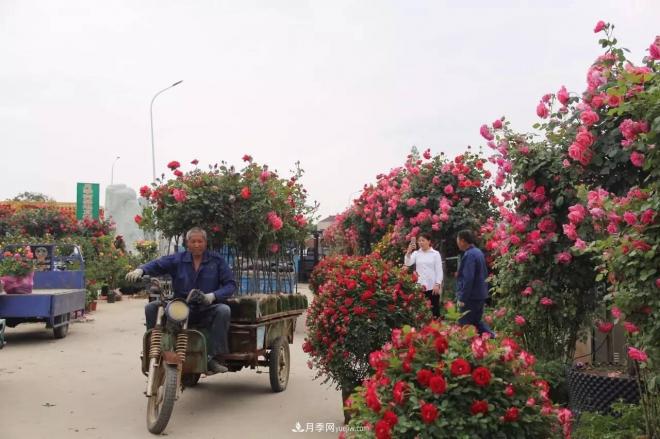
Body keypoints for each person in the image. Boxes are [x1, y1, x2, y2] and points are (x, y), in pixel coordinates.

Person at [126, 227, 237, 374]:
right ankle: (153, 348)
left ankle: (214, 357)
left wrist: (212, 296)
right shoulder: (178, 259)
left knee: (224, 310)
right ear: (187, 243)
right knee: (152, 308)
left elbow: (231, 285)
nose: (197, 245)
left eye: (200, 241)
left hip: (205, 309)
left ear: (205, 243)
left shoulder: (216, 261)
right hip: (180, 306)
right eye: (193, 241)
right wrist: (140, 270)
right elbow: (158, 264)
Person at [455, 229, 495, 337]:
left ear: (463, 241)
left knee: (465, 323)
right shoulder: (478, 252)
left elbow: (468, 279)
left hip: (471, 297)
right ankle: (492, 337)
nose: (457, 243)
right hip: (480, 294)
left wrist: (463, 298)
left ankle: (468, 347)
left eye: (457, 240)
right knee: (476, 321)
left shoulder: (470, 255)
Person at [404, 233, 443, 318]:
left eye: (423, 240)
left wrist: (437, 284)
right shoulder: (416, 253)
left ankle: (437, 329)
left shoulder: (435, 254)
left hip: (432, 287)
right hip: (419, 287)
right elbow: (408, 263)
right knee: (420, 311)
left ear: (429, 241)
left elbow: (439, 271)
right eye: (419, 241)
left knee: (434, 310)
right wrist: (408, 251)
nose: (421, 242)